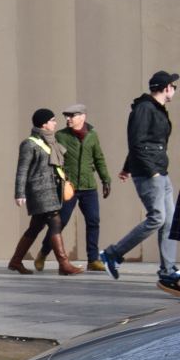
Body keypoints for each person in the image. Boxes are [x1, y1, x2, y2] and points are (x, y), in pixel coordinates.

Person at [100, 71, 179, 281]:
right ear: (165, 88)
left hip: (160, 170)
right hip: (150, 173)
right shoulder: (145, 108)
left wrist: (127, 167)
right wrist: (149, 170)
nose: (175, 90)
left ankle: (168, 270)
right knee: (157, 218)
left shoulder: (157, 109)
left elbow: (143, 143)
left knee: (171, 221)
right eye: (174, 86)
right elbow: (136, 142)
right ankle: (112, 254)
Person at [34, 104, 112, 271]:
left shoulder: (92, 135)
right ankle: (43, 252)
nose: (68, 119)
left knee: (93, 221)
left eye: (71, 116)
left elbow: (99, 158)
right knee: (59, 223)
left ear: (82, 117)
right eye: (66, 116)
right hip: (68, 187)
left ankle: (92, 260)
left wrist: (106, 179)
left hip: (89, 187)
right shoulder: (61, 136)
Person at [9, 108, 83, 275]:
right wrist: (19, 193)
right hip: (39, 190)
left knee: (35, 227)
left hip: (53, 190)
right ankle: (64, 264)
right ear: (44, 124)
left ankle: (15, 261)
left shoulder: (52, 142)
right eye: (52, 120)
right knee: (55, 222)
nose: (55, 123)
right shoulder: (29, 144)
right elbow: (22, 170)